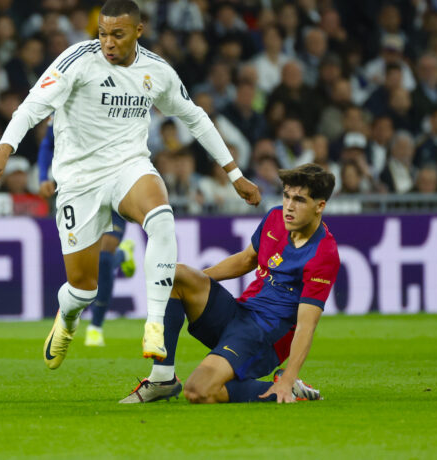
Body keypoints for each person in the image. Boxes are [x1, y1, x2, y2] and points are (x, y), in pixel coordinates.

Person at [0, 0, 261, 369]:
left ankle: (154, 323)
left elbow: (195, 117)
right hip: (78, 179)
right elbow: (31, 107)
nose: (108, 42)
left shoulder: (157, 71)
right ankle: (69, 317)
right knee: (83, 289)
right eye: (103, 33)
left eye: (118, 34)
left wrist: (234, 174)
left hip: (128, 166)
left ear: (139, 31)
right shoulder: (77, 60)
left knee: (162, 218)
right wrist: (2, 151)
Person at [120, 164, 339, 404]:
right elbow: (246, 260)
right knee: (176, 275)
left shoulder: (323, 254)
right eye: (286, 195)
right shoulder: (275, 217)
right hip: (239, 313)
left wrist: (289, 376)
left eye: (299, 200)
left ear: (320, 206)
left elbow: (306, 325)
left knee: (198, 390)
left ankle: (287, 388)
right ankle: (163, 378)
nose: (289, 206)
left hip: (262, 336)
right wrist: (198, 283)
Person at [37, 124, 137, 347]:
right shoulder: (65, 103)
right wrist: (43, 176)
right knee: (90, 264)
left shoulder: (115, 99)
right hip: (81, 189)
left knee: (103, 256)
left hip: (115, 185)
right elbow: (47, 143)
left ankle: (96, 326)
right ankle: (122, 255)